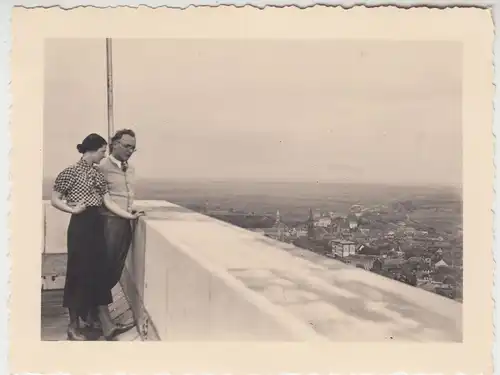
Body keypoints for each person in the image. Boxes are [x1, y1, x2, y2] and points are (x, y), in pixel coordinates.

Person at [51, 133, 144, 341]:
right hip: (80, 225)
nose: (104, 155)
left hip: (96, 224)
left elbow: (108, 201)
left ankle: (107, 325)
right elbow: (54, 199)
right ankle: (73, 326)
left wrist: (129, 215)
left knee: (99, 273)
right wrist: (72, 210)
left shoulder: (97, 175)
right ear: (92, 150)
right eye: (103, 151)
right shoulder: (70, 172)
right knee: (78, 273)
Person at [81, 129, 141, 331]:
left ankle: (92, 315)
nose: (130, 150)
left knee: (115, 270)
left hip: (125, 221)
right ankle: (104, 321)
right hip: (107, 222)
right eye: (126, 146)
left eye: (133, 147)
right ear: (113, 144)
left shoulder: (130, 169)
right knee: (105, 270)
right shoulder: (101, 167)